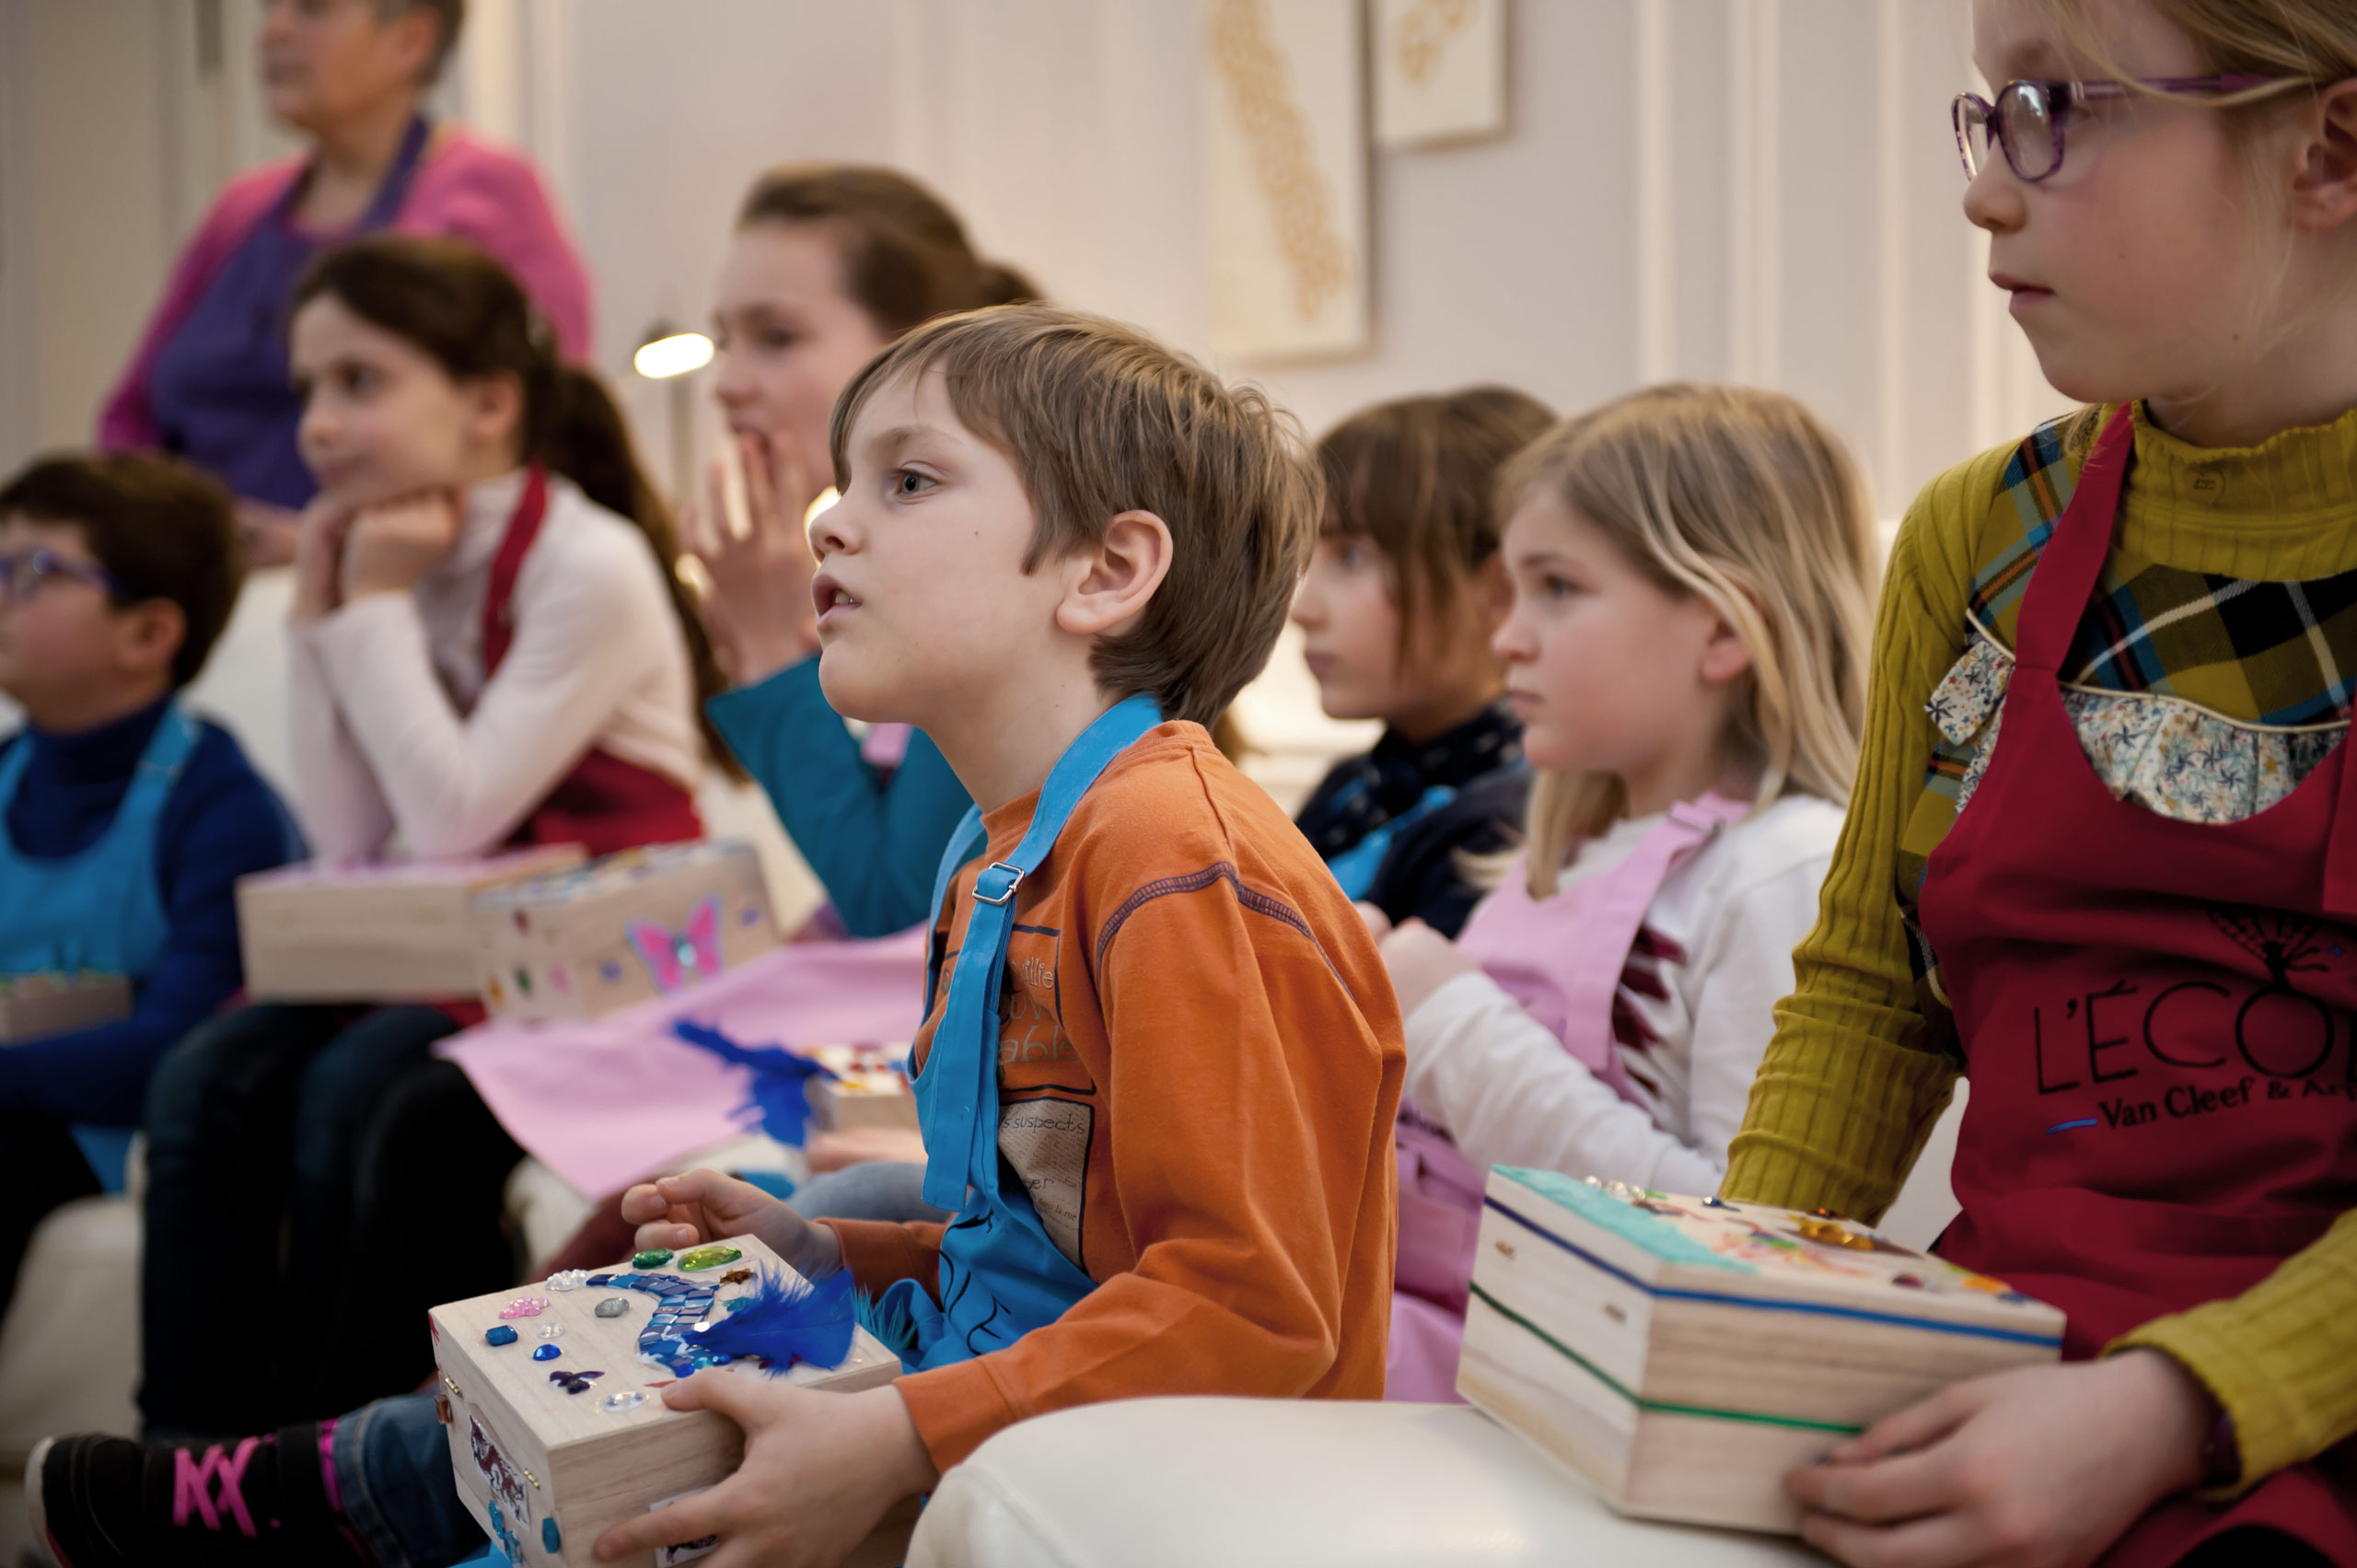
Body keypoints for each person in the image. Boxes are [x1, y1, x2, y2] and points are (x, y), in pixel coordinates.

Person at [30, 302, 1405, 1568]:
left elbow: (1252, 1307)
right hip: (1023, 1400)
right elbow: (1047, 1261)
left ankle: (330, 1495)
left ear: (1108, 569)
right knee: (666, 1332)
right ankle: (357, 1483)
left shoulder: (1174, 857)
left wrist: (892, 1433)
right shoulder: (1009, 842)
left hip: (1123, 1470)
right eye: (846, 479)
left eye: (907, 482)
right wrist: (837, 1254)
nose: (830, 524)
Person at [1723, 3, 2357, 1563]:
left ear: (2329, 149)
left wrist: (2175, 1402)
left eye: (2058, 109)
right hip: (2001, 1365)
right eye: (1988, 112)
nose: (1987, 188)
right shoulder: (1979, 536)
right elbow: (1874, 992)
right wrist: (1721, 1298)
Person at [134, 235, 720, 1444]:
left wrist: (376, 603)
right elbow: (357, 832)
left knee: (363, 1089)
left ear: (491, 401)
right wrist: (317, 617)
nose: (320, 425)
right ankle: (185, 1448)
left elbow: (458, 814)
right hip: (450, 930)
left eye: (361, 381)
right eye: (307, 390)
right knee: (207, 1074)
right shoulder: (377, 549)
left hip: (592, 940)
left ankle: (322, 1457)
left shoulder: (587, 561)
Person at [1369, 384, 1876, 1400]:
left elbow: (1749, 1241)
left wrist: (1448, 1020)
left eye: (1556, 587)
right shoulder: (1550, 856)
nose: (1508, 635)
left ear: (1724, 632)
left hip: (1567, 1381)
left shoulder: (1781, 870)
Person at [100, 0, 591, 563]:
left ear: (411, 39)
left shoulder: (486, 192)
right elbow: (129, 416)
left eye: (313, 9)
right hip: (193, 581)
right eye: (269, 9)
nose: (273, 31)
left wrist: (330, 542)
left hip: (384, 582)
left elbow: (540, 424)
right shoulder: (240, 209)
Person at [0, 453, 299, 1311]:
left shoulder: (221, 804)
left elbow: (175, 1050)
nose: (5, 593)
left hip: (99, 1128)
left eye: (36, 572)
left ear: (148, 634)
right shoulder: (7, 771)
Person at [1290, 387, 1552, 938]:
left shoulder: (1510, 827)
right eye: (1309, 556)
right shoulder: (1353, 786)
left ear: (1499, 588)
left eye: (1352, 556)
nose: (1303, 608)